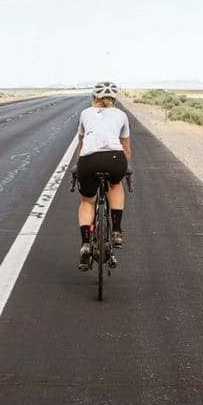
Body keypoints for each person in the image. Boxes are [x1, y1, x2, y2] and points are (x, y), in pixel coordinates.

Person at [73, 81, 131, 272]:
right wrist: (125, 168)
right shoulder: (122, 115)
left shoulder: (85, 113)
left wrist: (78, 166)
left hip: (88, 160)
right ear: (114, 100)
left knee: (87, 201)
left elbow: (81, 144)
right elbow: (126, 149)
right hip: (115, 158)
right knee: (115, 185)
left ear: (94, 97)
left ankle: (86, 243)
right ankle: (116, 231)